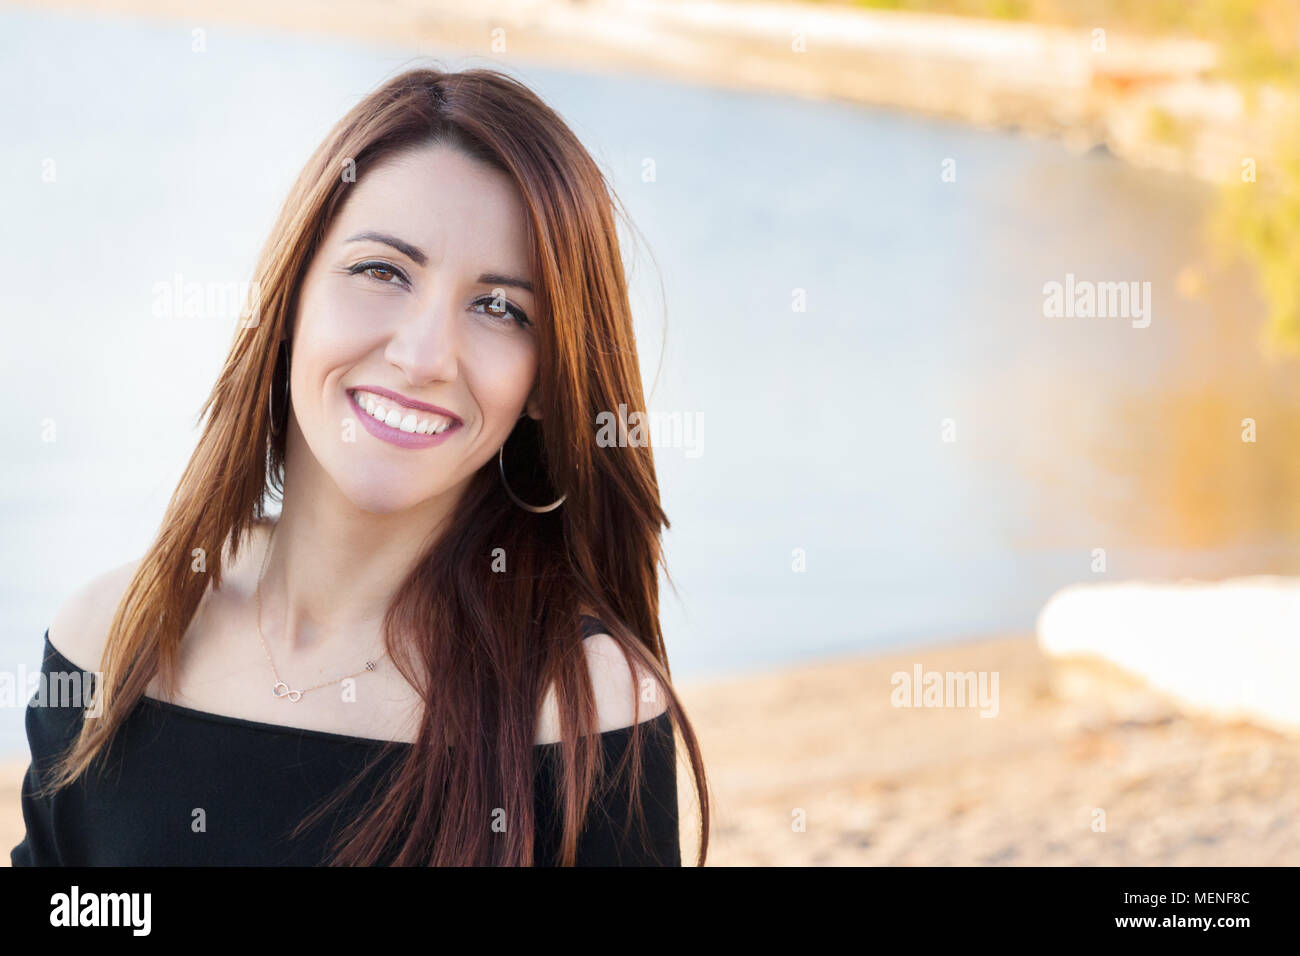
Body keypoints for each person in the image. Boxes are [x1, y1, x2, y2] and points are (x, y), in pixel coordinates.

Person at [10, 66, 709, 866]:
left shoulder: (581, 704)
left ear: (548, 379)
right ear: (292, 296)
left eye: (500, 308)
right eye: (383, 271)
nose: (422, 357)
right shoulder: (111, 638)